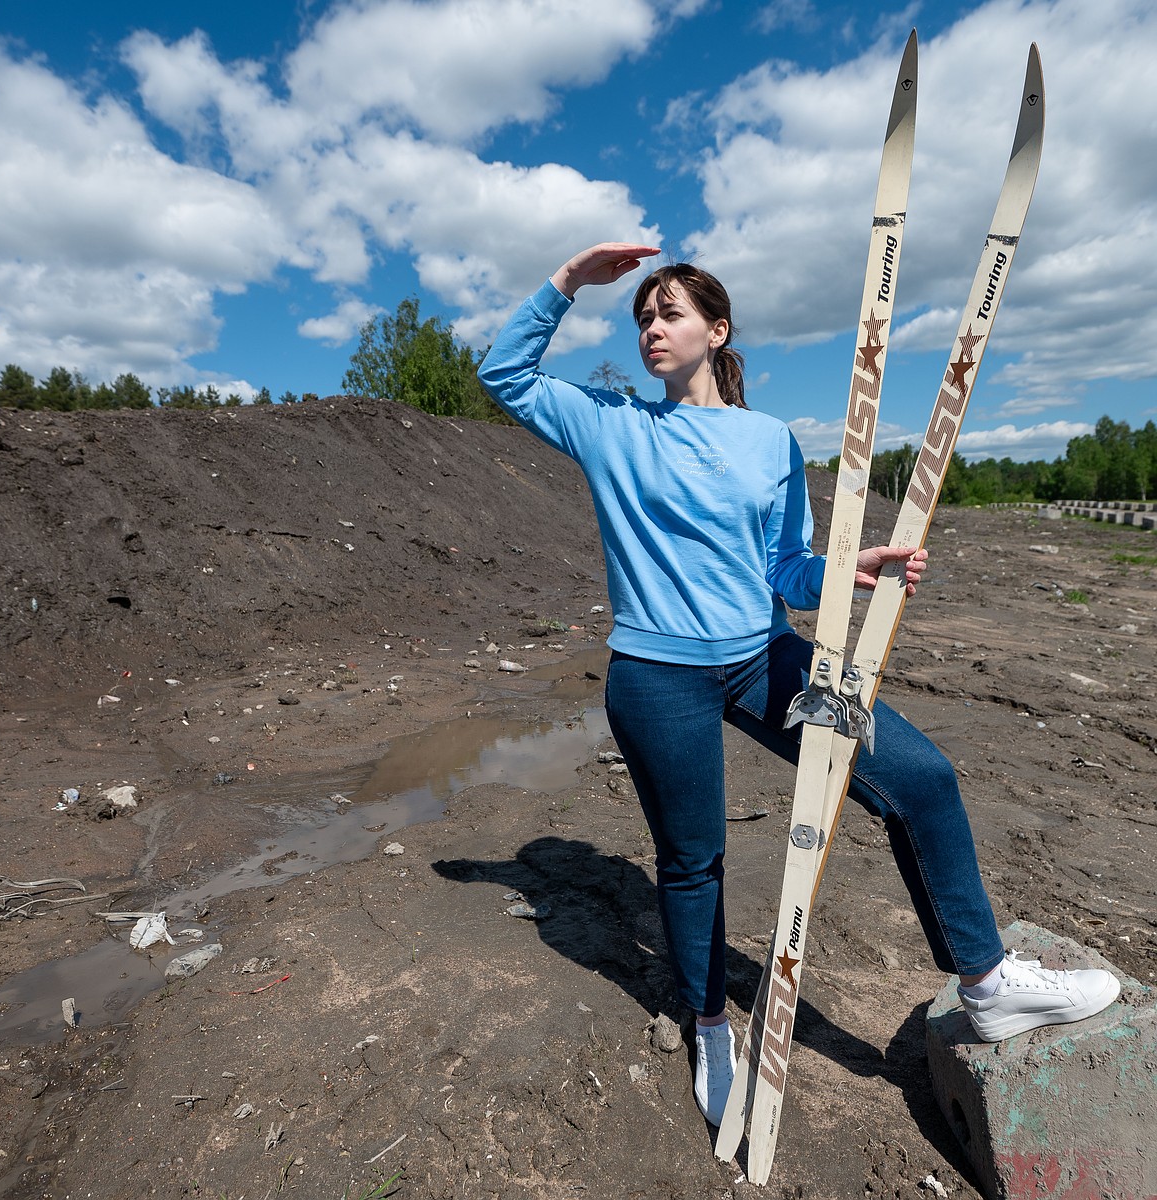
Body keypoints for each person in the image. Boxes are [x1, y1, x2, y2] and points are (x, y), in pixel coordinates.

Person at [476, 242, 1121, 1127]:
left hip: (768, 661)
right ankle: (710, 1027)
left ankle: (987, 979)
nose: (652, 329)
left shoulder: (769, 439)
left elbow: (785, 570)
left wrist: (851, 569)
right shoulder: (612, 423)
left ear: (717, 329)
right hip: (658, 678)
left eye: (669, 313)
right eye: (643, 318)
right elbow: (502, 371)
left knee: (920, 779)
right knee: (693, 860)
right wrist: (569, 283)